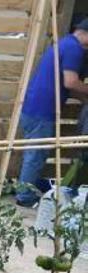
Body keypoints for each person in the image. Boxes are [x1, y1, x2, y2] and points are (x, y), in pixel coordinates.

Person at [16, 18, 88, 207]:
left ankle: (27, 189)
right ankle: (24, 197)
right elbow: (70, 82)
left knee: (34, 154)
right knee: (36, 154)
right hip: (42, 110)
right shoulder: (75, 49)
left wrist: (84, 99)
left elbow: (66, 86)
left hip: (34, 107)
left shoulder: (65, 43)